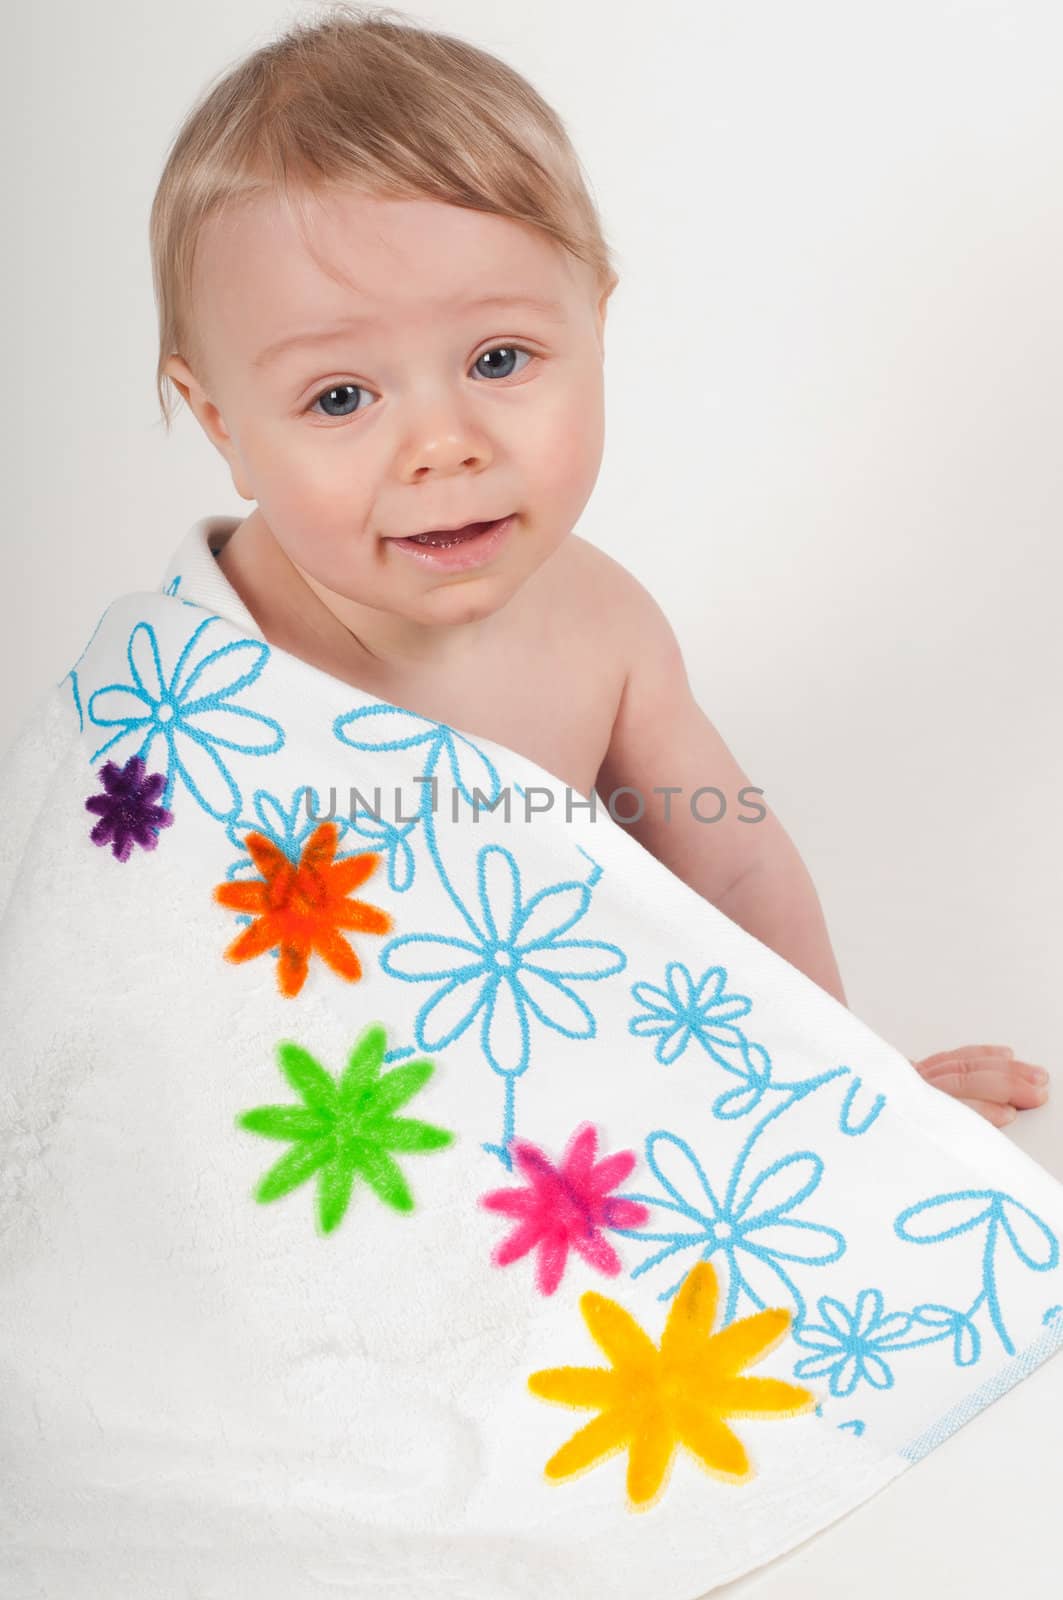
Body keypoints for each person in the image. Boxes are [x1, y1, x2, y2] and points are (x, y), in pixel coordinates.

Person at [93, 6, 1060, 1129]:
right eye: (341, 397)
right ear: (224, 425)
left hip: (547, 1093)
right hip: (307, 1119)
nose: (442, 444)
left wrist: (843, 1094)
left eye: (498, 359)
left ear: (595, 325)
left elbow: (733, 872)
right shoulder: (204, 679)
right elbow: (123, 959)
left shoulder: (600, 626)